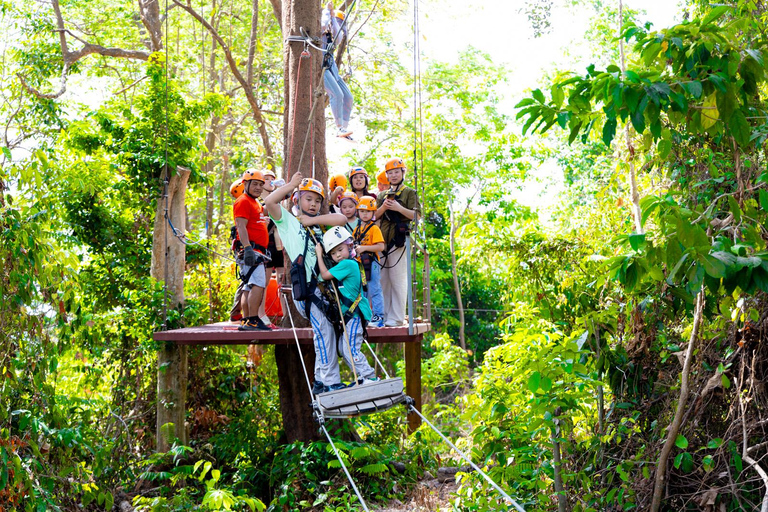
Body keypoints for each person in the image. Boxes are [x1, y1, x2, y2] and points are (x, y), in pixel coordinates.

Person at [264, 173, 349, 394]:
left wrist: (313, 220)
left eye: (317, 200)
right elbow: (270, 202)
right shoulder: (287, 221)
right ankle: (329, 382)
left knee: (327, 332)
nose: (313, 204)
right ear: (296, 199)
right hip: (309, 289)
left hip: (324, 289)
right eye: (308, 199)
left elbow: (342, 220)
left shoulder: (318, 225)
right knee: (325, 333)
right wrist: (292, 185)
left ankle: (323, 380)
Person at [316, 227, 378, 385]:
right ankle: (363, 377)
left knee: (350, 349)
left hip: (354, 315)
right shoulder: (346, 264)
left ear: (350, 247)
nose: (337, 255)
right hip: (351, 316)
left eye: (340, 250)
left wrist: (318, 254)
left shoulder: (348, 264)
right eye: (333, 253)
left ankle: (369, 376)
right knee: (344, 350)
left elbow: (323, 276)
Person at [376, 158, 421, 327]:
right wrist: (385, 207)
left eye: (397, 172)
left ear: (403, 173)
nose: (393, 175)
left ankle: (396, 317)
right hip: (382, 240)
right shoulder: (382, 195)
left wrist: (398, 208)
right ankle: (385, 315)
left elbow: (416, 215)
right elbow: (374, 216)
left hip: (399, 240)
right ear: (386, 175)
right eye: (390, 173)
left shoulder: (409, 193)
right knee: (383, 280)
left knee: (398, 278)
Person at [233, 170, 272, 331]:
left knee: (249, 285)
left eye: (260, 185)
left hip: (257, 250)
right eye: (254, 184)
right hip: (251, 249)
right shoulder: (243, 201)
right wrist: (248, 248)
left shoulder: (255, 203)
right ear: (245, 184)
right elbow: (240, 226)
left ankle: (248, 320)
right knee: (258, 284)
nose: (258, 187)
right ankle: (253, 319)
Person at [321, 5, 354, 139]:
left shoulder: (334, 31)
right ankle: (339, 127)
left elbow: (339, 36)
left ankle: (344, 128)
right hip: (321, 63)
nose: (340, 25)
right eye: (339, 21)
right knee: (337, 94)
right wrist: (328, 12)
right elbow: (323, 25)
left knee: (348, 97)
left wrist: (335, 20)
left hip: (331, 64)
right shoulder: (321, 28)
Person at [354, 197, 386, 327]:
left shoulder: (374, 229)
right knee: (363, 290)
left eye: (368, 211)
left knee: (374, 288)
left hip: (371, 262)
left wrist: (364, 248)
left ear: (373, 213)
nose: (364, 214)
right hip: (360, 263)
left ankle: (379, 317)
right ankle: (366, 316)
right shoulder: (357, 229)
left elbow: (380, 247)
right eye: (362, 211)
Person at [228, 178, 246, 322]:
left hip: (241, 248)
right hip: (243, 249)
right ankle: (236, 312)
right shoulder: (242, 204)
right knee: (247, 280)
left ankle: (236, 311)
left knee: (246, 280)